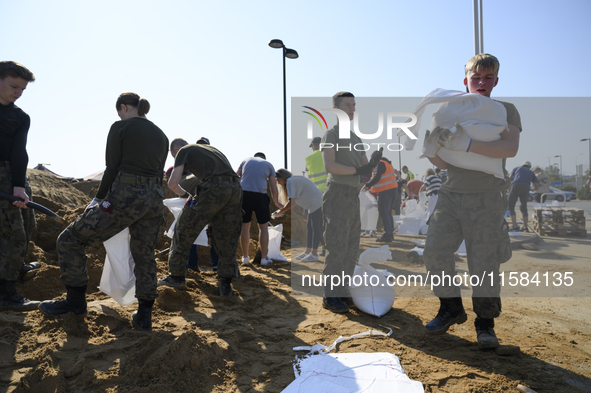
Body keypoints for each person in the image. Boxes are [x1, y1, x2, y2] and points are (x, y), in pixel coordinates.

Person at [39, 93, 169, 331]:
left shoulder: (121, 126)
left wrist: (98, 199)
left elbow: (112, 167)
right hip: (154, 199)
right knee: (144, 254)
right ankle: (144, 316)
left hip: (126, 196)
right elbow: (159, 172)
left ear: (123, 107)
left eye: (119, 111)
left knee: (69, 240)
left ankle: (75, 302)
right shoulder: (162, 134)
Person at [421, 53, 521, 349]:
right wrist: (431, 150)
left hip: (487, 196)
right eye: (475, 78)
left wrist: (467, 143)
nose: (481, 83)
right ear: (465, 81)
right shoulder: (453, 111)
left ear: (496, 81)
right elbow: (442, 163)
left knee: (484, 262)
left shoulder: (506, 110)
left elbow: (510, 148)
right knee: (434, 252)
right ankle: (450, 308)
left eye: (488, 78)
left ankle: (485, 324)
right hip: (451, 194)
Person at [320, 91, 382, 313]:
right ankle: (330, 295)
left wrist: (373, 163)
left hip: (351, 196)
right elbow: (331, 166)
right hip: (336, 192)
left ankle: (343, 291)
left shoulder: (356, 139)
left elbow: (365, 167)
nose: (351, 109)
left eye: (353, 105)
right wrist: (360, 169)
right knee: (336, 245)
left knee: (350, 246)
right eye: (347, 105)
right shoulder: (331, 134)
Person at [158, 143, 242, 298]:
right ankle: (225, 282)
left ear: (176, 150)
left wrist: (186, 196)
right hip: (235, 188)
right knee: (226, 235)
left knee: (183, 229)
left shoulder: (183, 151)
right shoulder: (212, 151)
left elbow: (172, 183)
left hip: (215, 186)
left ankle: (176, 276)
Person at [0, 61, 40, 311]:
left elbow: (19, 152)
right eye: (14, 86)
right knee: (12, 233)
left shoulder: (20, 116)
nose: (18, 92)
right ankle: (6, 292)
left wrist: (18, 185)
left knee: (27, 224)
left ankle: (16, 266)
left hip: (14, 175)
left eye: (23, 89)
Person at [166, 138, 219, 272]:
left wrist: (186, 195)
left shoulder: (194, 163)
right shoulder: (182, 167)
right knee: (197, 231)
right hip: (201, 200)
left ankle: (209, 264)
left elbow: (172, 184)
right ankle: (195, 266)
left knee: (194, 229)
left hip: (200, 199)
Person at [237, 152, 282, 267]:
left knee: (245, 226)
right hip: (260, 196)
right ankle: (264, 258)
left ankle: (245, 258)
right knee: (263, 227)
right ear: (264, 158)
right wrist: (276, 202)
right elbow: (273, 188)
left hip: (245, 195)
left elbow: (236, 177)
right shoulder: (269, 164)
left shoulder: (246, 159)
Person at [274, 169, 323, 262]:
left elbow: (292, 202)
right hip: (314, 203)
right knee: (310, 228)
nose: (278, 183)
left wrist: (281, 212)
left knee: (315, 229)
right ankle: (308, 251)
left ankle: (314, 254)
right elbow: (293, 201)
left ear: (282, 178)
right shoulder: (293, 180)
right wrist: (282, 210)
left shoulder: (290, 182)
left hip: (316, 203)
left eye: (278, 180)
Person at [364, 155, 398, 242]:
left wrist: (367, 185)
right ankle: (390, 234)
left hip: (385, 190)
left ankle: (387, 235)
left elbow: (376, 177)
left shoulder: (380, 164)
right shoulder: (387, 163)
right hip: (392, 189)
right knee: (388, 212)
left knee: (384, 212)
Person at [508, 161, 539, 231]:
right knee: (524, 207)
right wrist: (532, 189)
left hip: (515, 185)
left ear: (522, 165)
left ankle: (515, 226)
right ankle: (525, 227)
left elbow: (510, 177)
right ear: (530, 167)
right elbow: (536, 187)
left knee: (511, 206)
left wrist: (508, 186)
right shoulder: (531, 172)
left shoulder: (516, 168)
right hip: (526, 186)